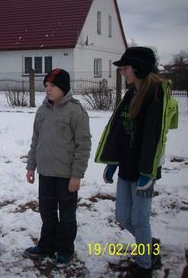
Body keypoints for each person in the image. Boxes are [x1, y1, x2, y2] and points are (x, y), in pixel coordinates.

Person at [95, 47, 179, 277]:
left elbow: (153, 138)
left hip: (145, 171)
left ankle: (145, 266)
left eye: (125, 67)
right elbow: (120, 131)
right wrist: (112, 161)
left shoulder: (156, 96)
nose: (122, 72)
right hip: (127, 166)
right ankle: (149, 246)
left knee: (139, 220)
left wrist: (147, 172)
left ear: (138, 68)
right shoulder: (131, 93)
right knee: (123, 217)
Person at [24, 68, 91, 266]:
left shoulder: (76, 111)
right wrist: (31, 166)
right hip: (45, 173)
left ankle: (64, 250)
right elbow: (36, 140)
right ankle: (46, 245)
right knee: (47, 213)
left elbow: (83, 145)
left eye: (52, 86)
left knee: (67, 215)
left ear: (63, 87)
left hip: (66, 176)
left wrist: (77, 175)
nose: (48, 89)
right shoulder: (42, 109)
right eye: (46, 86)